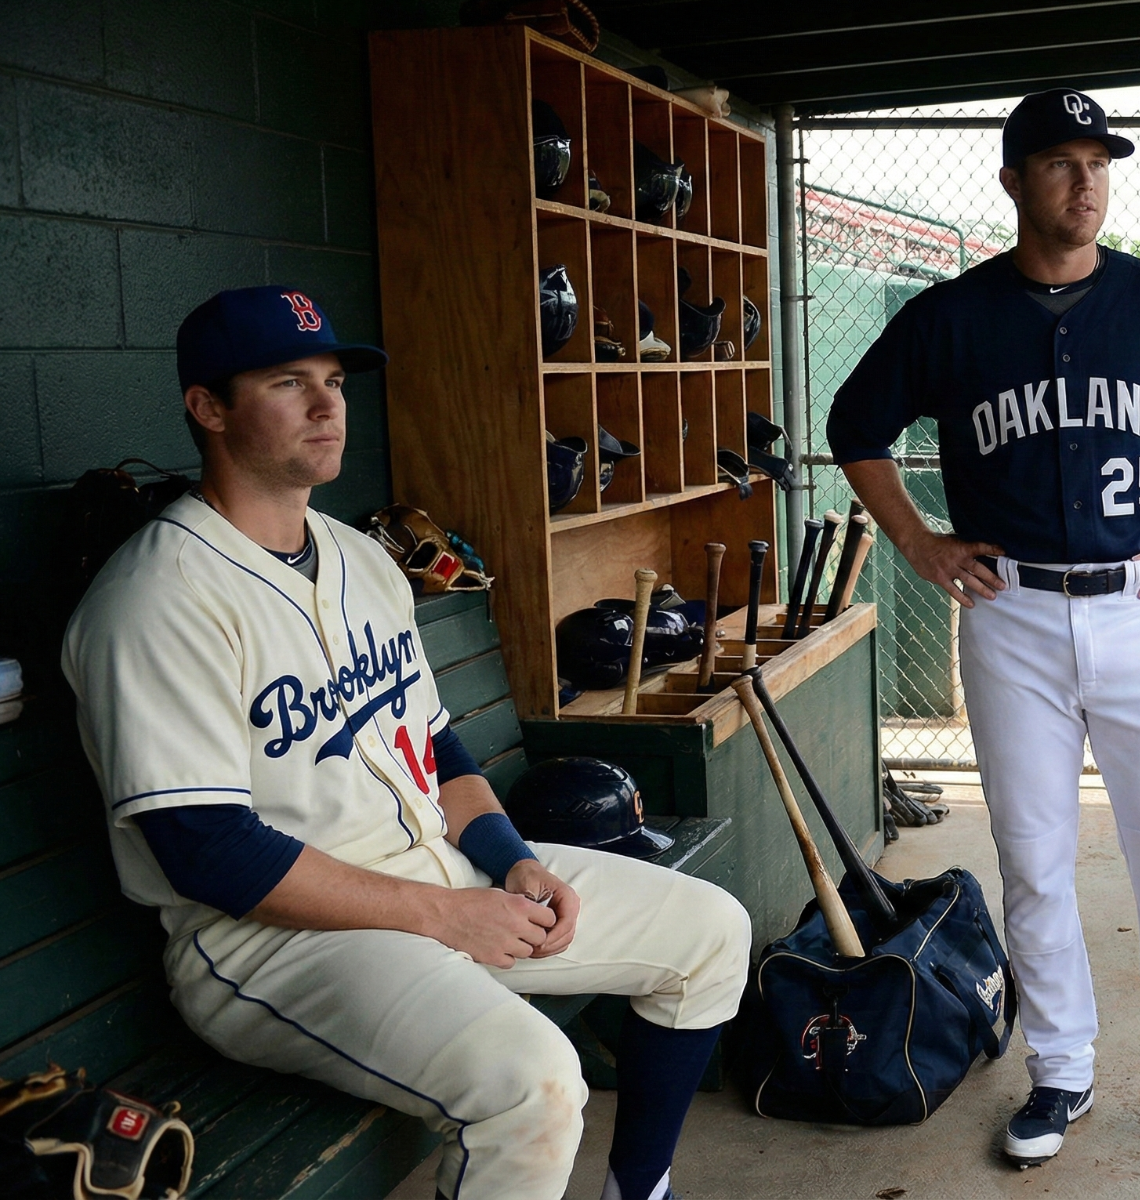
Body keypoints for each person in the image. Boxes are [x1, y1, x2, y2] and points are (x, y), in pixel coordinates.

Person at [62, 285, 751, 1200]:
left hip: (436, 872)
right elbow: (205, 853)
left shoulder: (359, 556)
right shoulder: (155, 598)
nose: (326, 406)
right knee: (535, 1086)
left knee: (710, 930)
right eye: (287, 382)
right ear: (208, 408)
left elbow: (438, 749)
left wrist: (511, 862)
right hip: (276, 944)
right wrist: (442, 916)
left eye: (336, 381)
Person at [827, 90, 1140, 1171]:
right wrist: (917, 542)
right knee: (1033, 862)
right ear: (1012, 181)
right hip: (1012, 614)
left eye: (1099, 162)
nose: (1084, 182)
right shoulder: (951, 315)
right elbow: (855, 427)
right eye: (1058, 162)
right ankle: (1063, 1073)